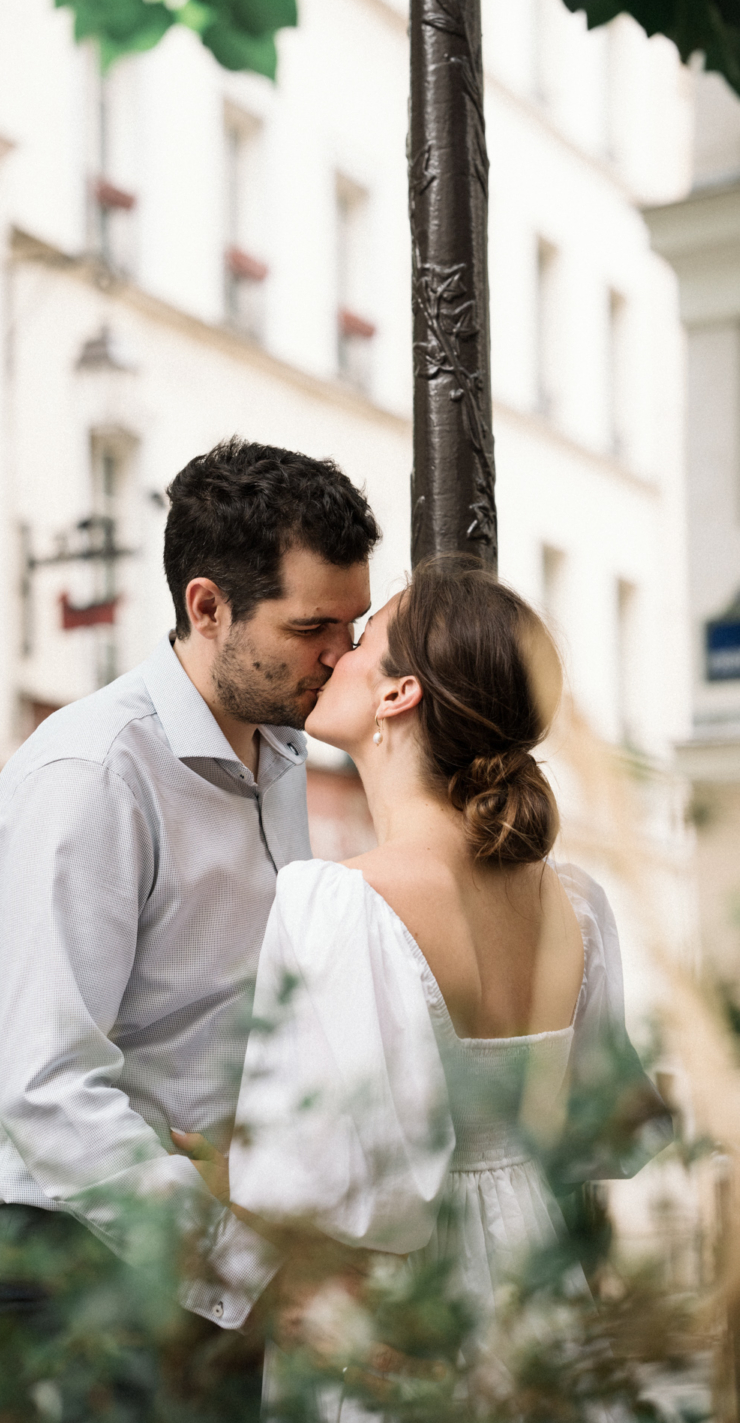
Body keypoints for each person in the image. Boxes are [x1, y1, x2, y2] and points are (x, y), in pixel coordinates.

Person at [178, 556, 671, 1415]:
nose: (336, 654)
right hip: (537, 1286)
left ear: (398, 695)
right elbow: (596, 1132)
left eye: (363, 640)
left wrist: (224, 1177)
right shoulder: (578, 907)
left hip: (395, 1311)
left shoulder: (340, 901)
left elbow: (324, 1181)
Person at [0, 437, 376, 1414]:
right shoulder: (93, 776)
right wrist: (236, 1259)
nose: (339, 656)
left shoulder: (281, 757)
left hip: (204, 1261)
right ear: (207, 606)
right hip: (63, 1269)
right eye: (312, 626)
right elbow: (49, 1086)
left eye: (351, 625)